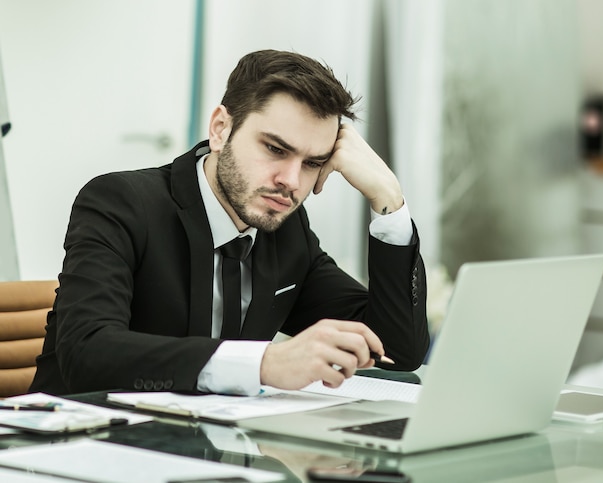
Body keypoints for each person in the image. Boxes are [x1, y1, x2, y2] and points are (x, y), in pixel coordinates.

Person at [30, 49, 429, 396]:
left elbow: (395, 349)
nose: (290, 181)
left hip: (213, 452)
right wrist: (264, 364)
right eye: (275, 148)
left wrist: (389, 201)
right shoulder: (122, 203)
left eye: (313, 163)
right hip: (82, 446)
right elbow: (88, 353)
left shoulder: (286, 229)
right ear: (221, 128)